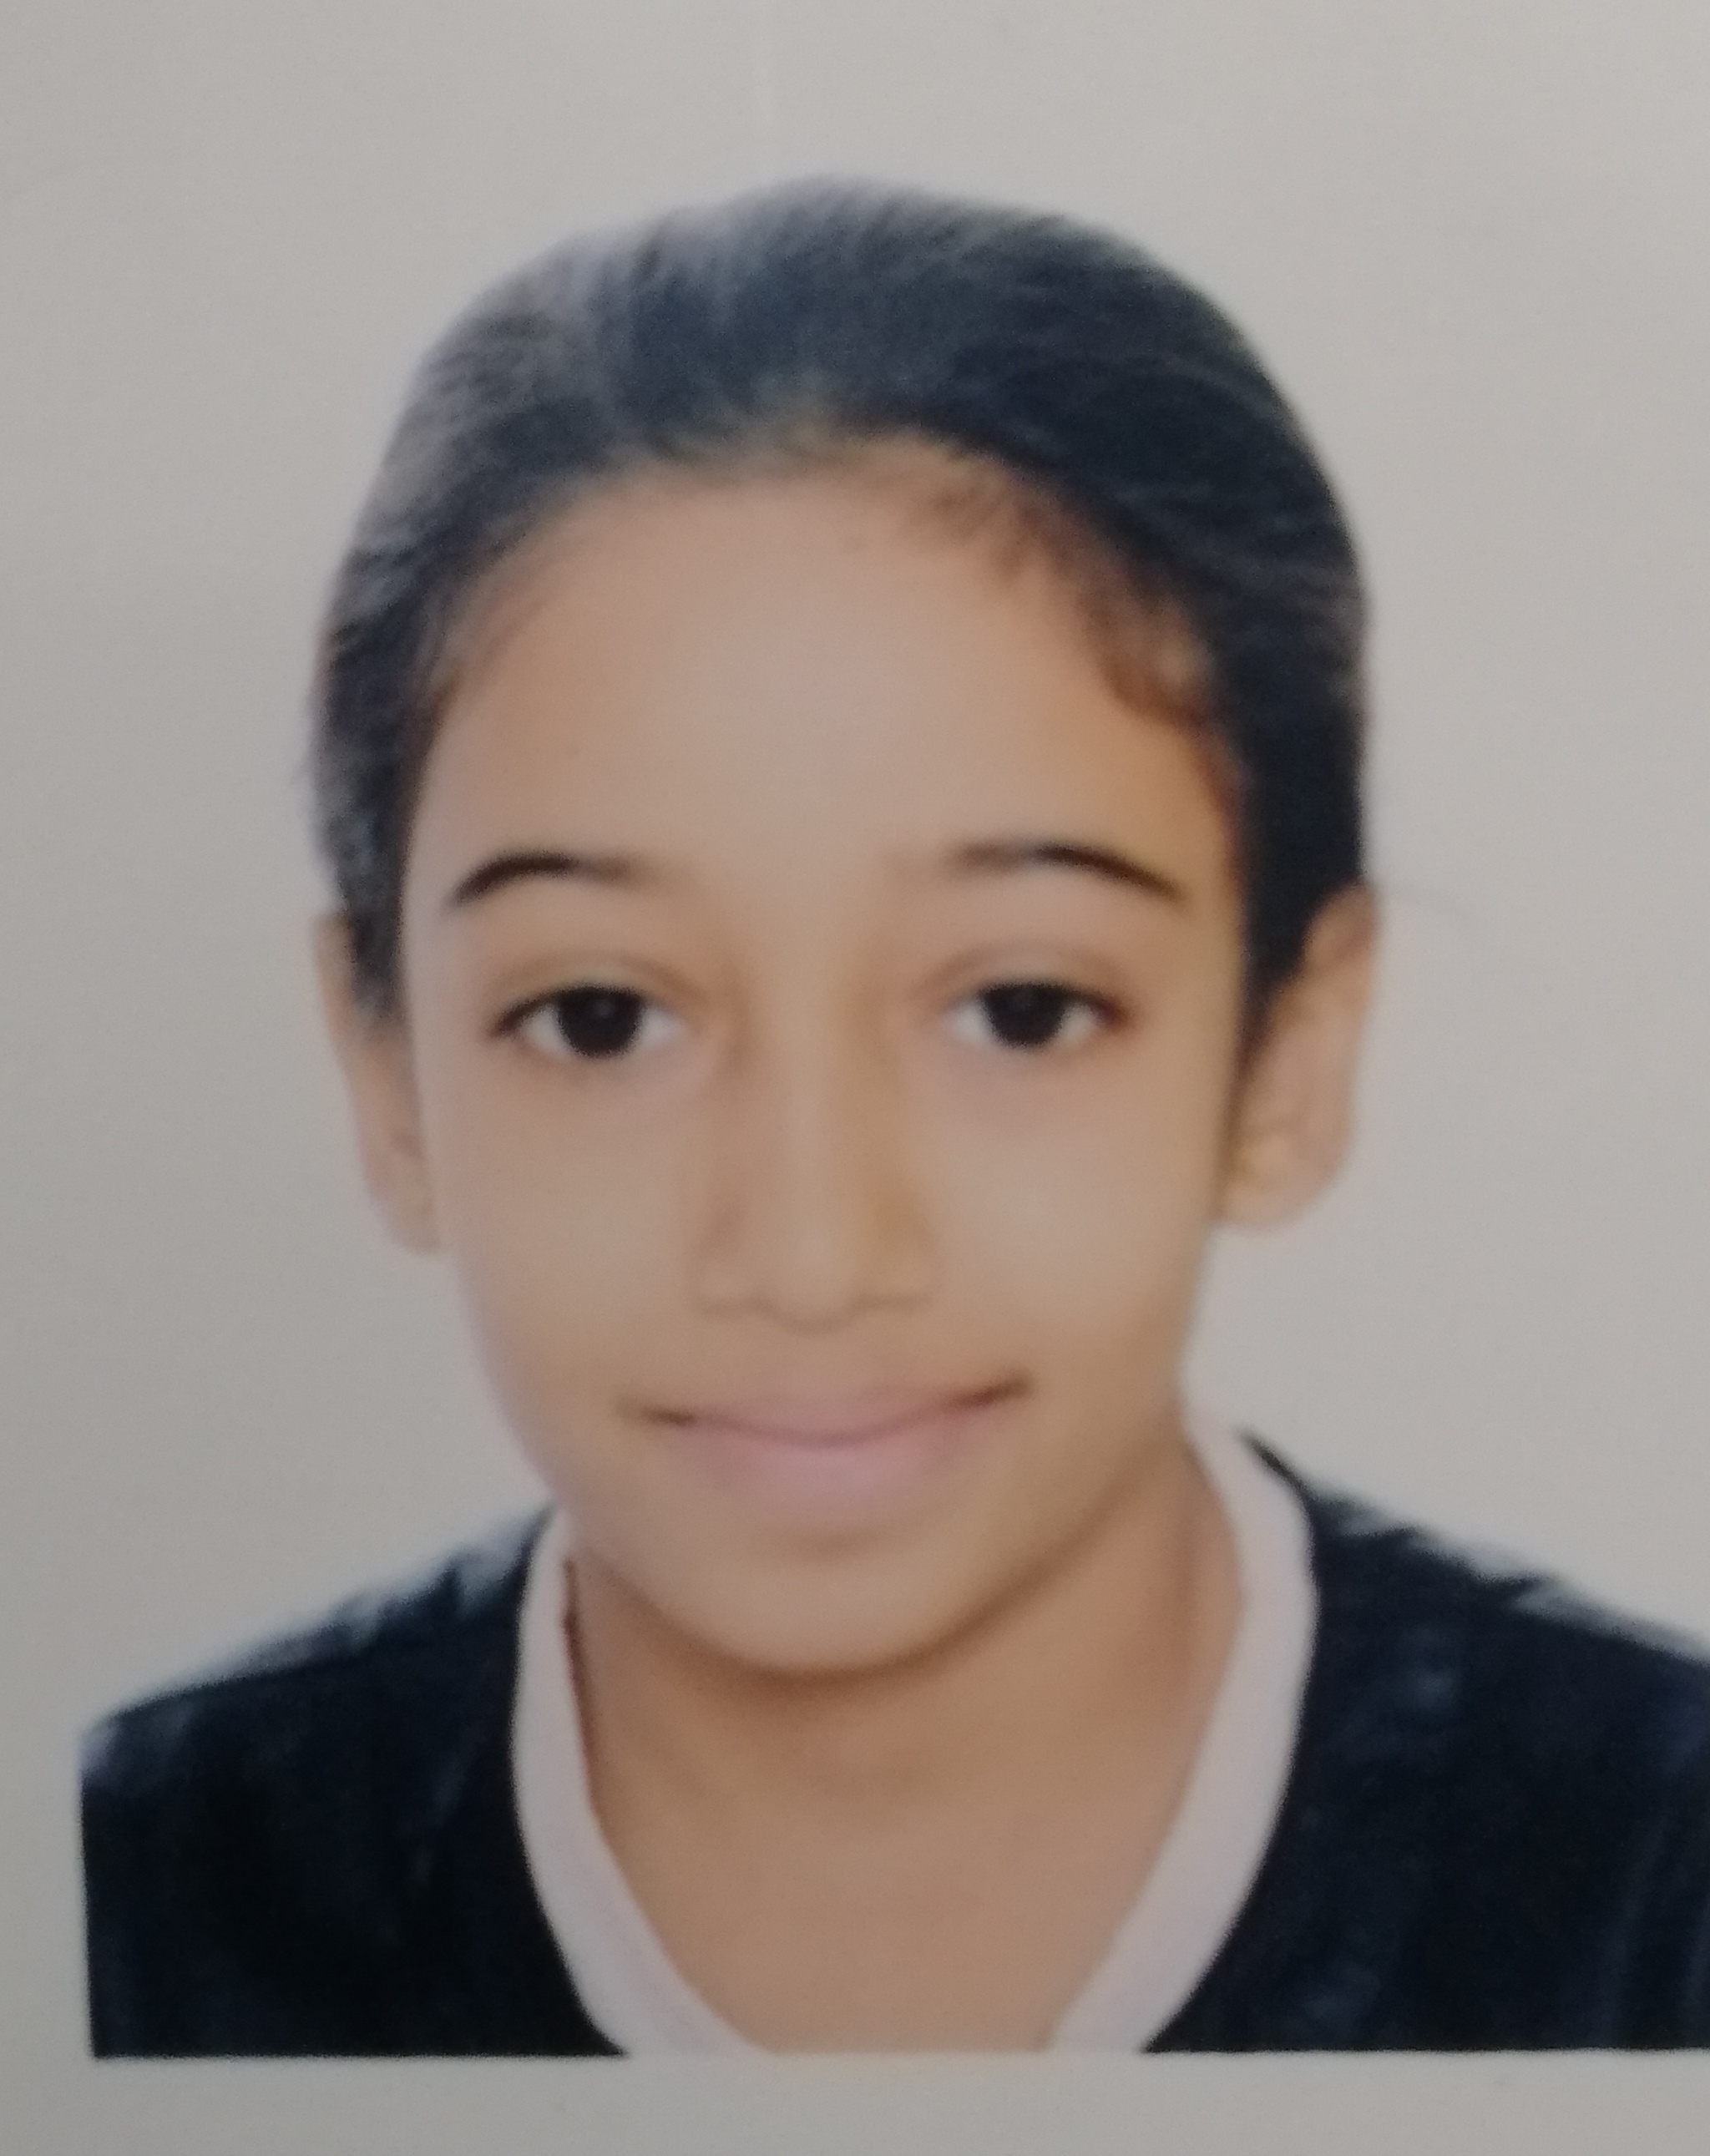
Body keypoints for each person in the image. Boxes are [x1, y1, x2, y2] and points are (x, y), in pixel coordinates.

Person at [80, 180, 1710, 2055]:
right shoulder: (126, 1908)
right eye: (601, 1017)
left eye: (1021, 1009)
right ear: (386, 1074)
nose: (809, 1248)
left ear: (1288, 1051)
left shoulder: (1652, 1894)